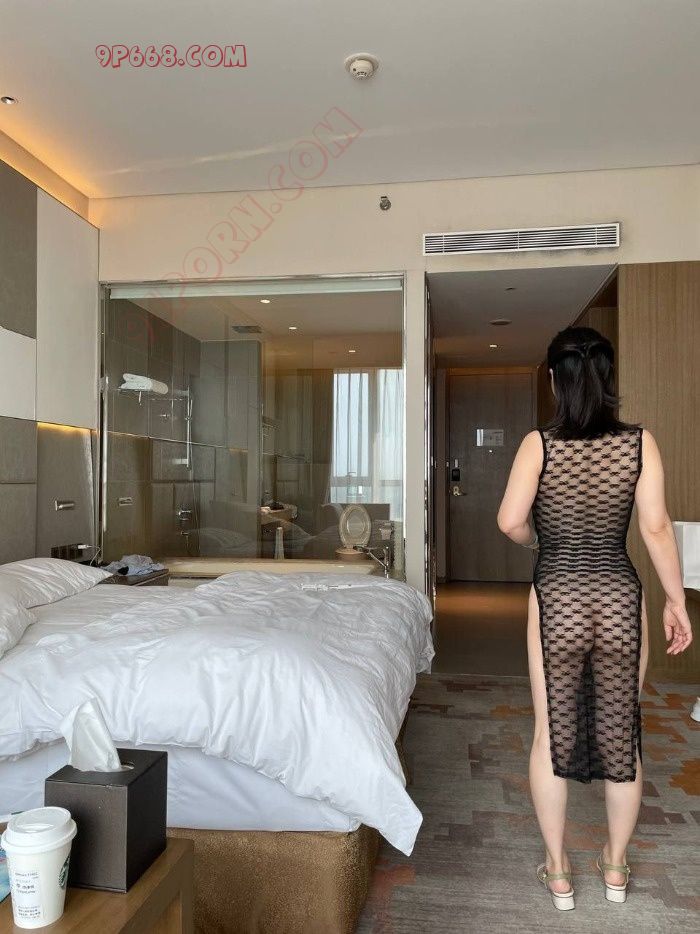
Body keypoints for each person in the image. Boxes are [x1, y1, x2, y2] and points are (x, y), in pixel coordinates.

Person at [497, 326, 693, 911]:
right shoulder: (638, 443)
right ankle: (615, 867)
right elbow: (655, 527)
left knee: (549, 733)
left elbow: (509, 520)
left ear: (553, 379)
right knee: (620, 734)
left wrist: (539, 542)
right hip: (617, 596)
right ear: (608, 376)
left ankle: (558, 871)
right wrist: (676, 600)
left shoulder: (539, 444)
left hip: (557, 593)